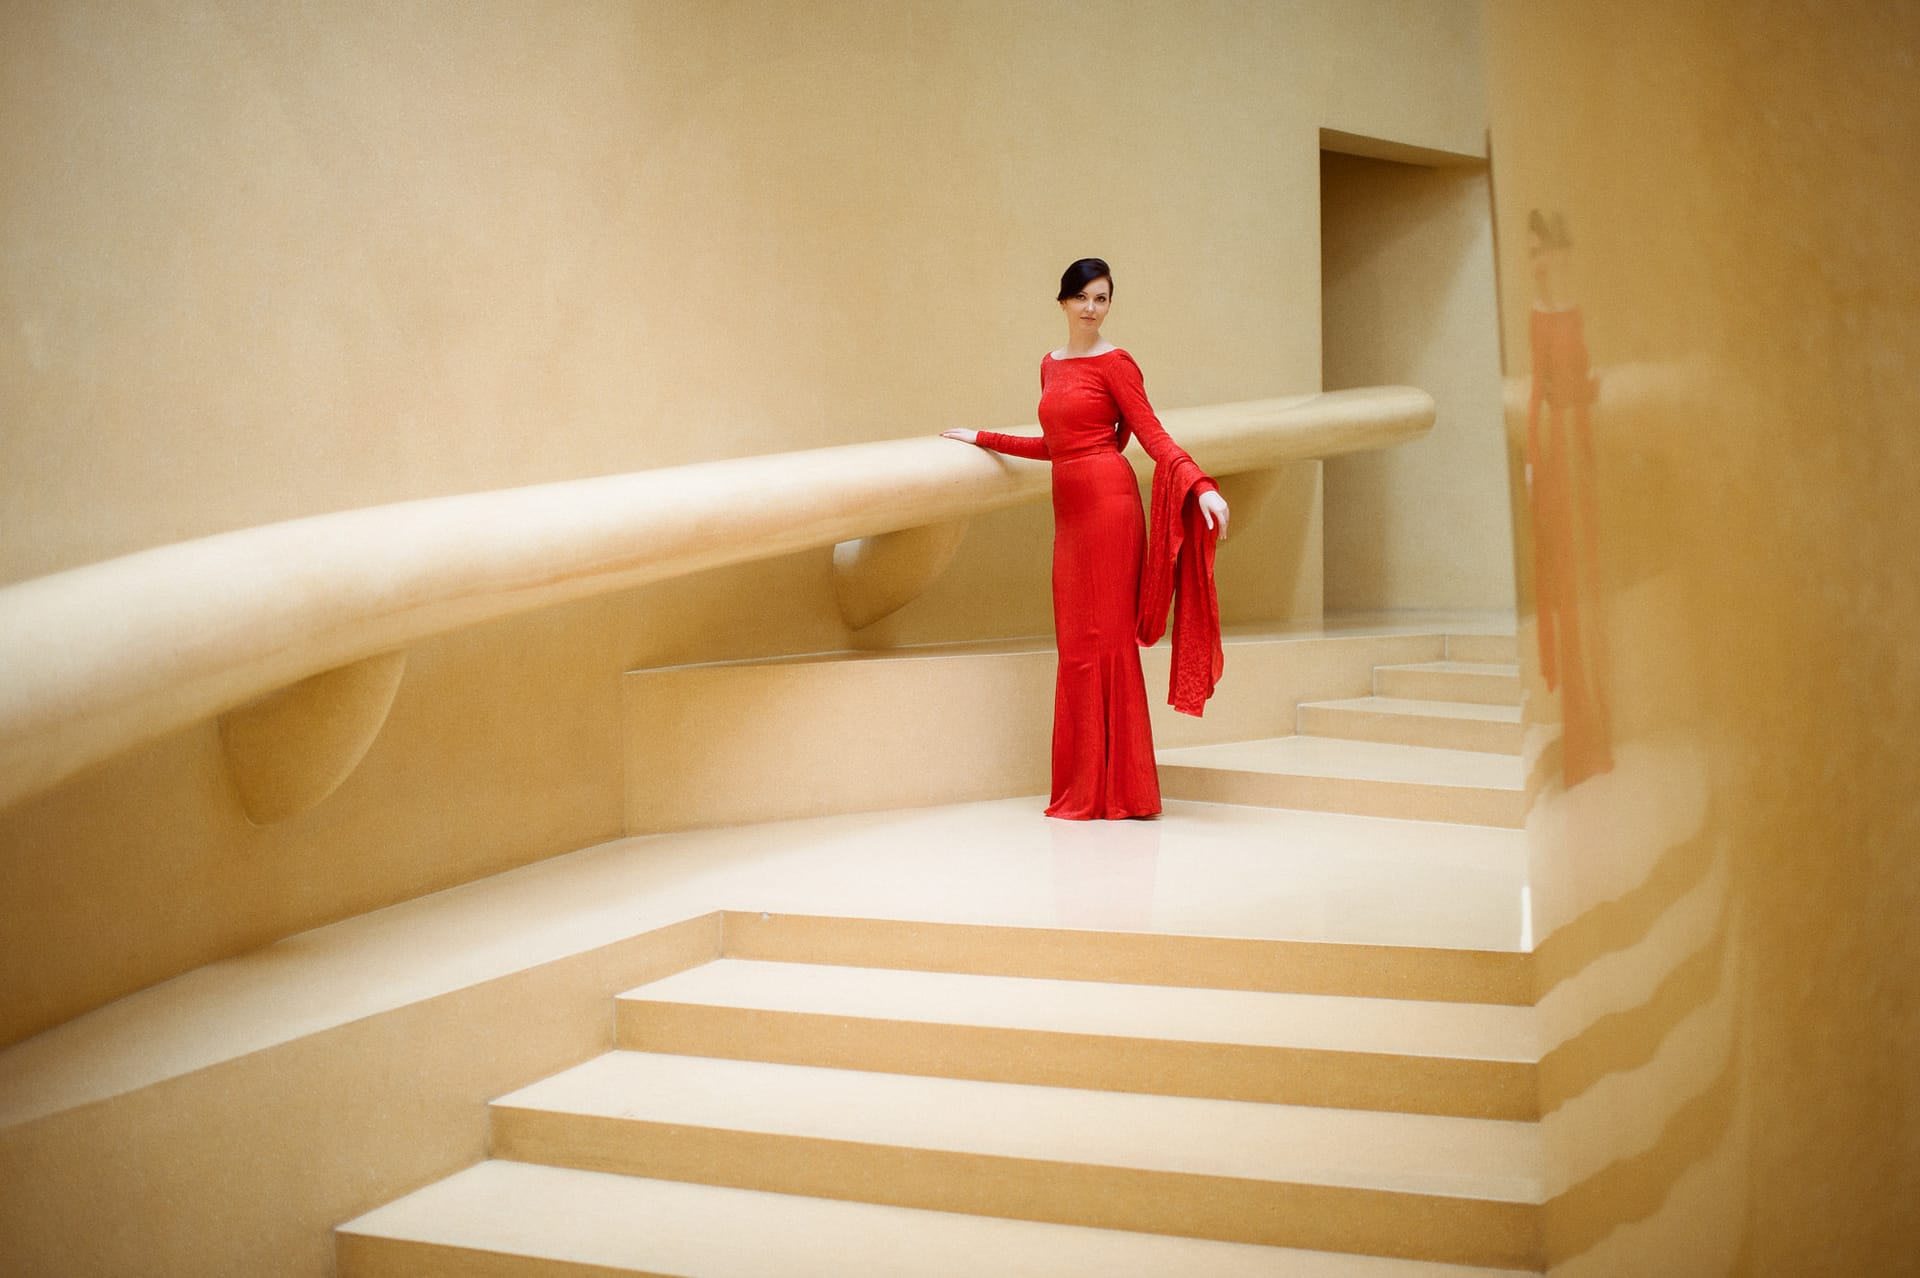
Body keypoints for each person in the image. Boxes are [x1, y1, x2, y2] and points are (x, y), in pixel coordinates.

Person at [943, 258, 1229, 819]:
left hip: (1109, 507)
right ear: (1063, 302)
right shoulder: (1050, 365)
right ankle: (1085, 786)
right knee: (1076, 647)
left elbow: (1150, 434)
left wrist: (1198, 486)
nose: (1092, 308)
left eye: (1102, 298)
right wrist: (983, 437)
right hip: (1070, 513)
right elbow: (1056, 445)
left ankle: (1124, 791)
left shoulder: (1117, 364)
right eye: (1082, 298)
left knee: (1110, 643)